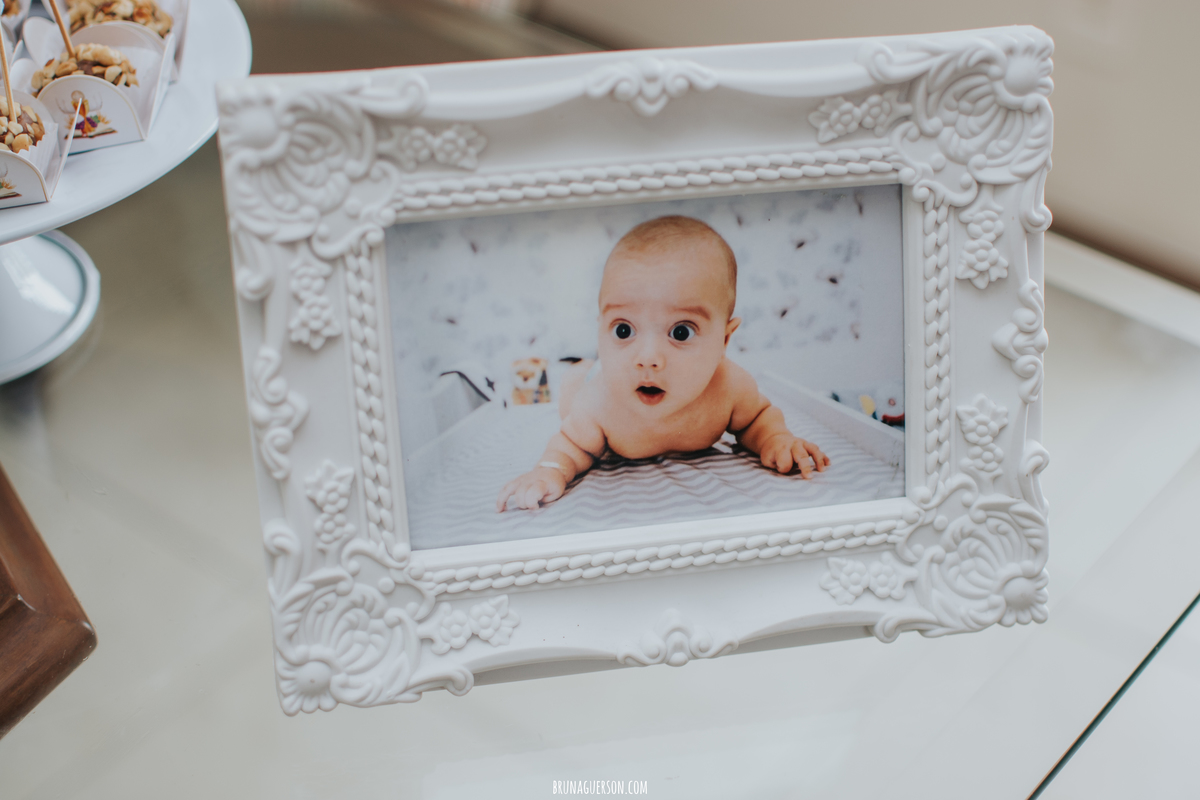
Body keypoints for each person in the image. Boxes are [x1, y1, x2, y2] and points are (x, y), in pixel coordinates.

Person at [497, 215, 830, 512]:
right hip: (593, 382)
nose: (648, 359)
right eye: (623, 330)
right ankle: (582, 366)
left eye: (680, 332)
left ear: (725, 341)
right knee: (573, 389)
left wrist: (775, 439)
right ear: (600, 327)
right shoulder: (600, 402)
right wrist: (549, 471)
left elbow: (757, 419)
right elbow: (569, 446)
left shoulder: (730, 387)